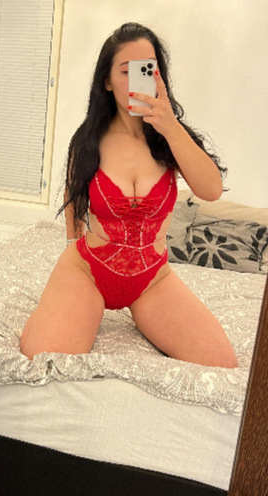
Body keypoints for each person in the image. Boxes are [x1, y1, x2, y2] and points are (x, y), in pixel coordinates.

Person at [20, 22, 238, 368]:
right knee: (44, 360)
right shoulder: (88, 139)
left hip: (152, 279)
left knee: (222, 362)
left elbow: (210, 190)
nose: (139, 79)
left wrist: (170, 126)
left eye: (148, 69)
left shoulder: (170, 138)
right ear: (107, 81)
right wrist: (70, 244)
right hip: (88, 270)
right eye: (127, 71)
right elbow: (73, 191)